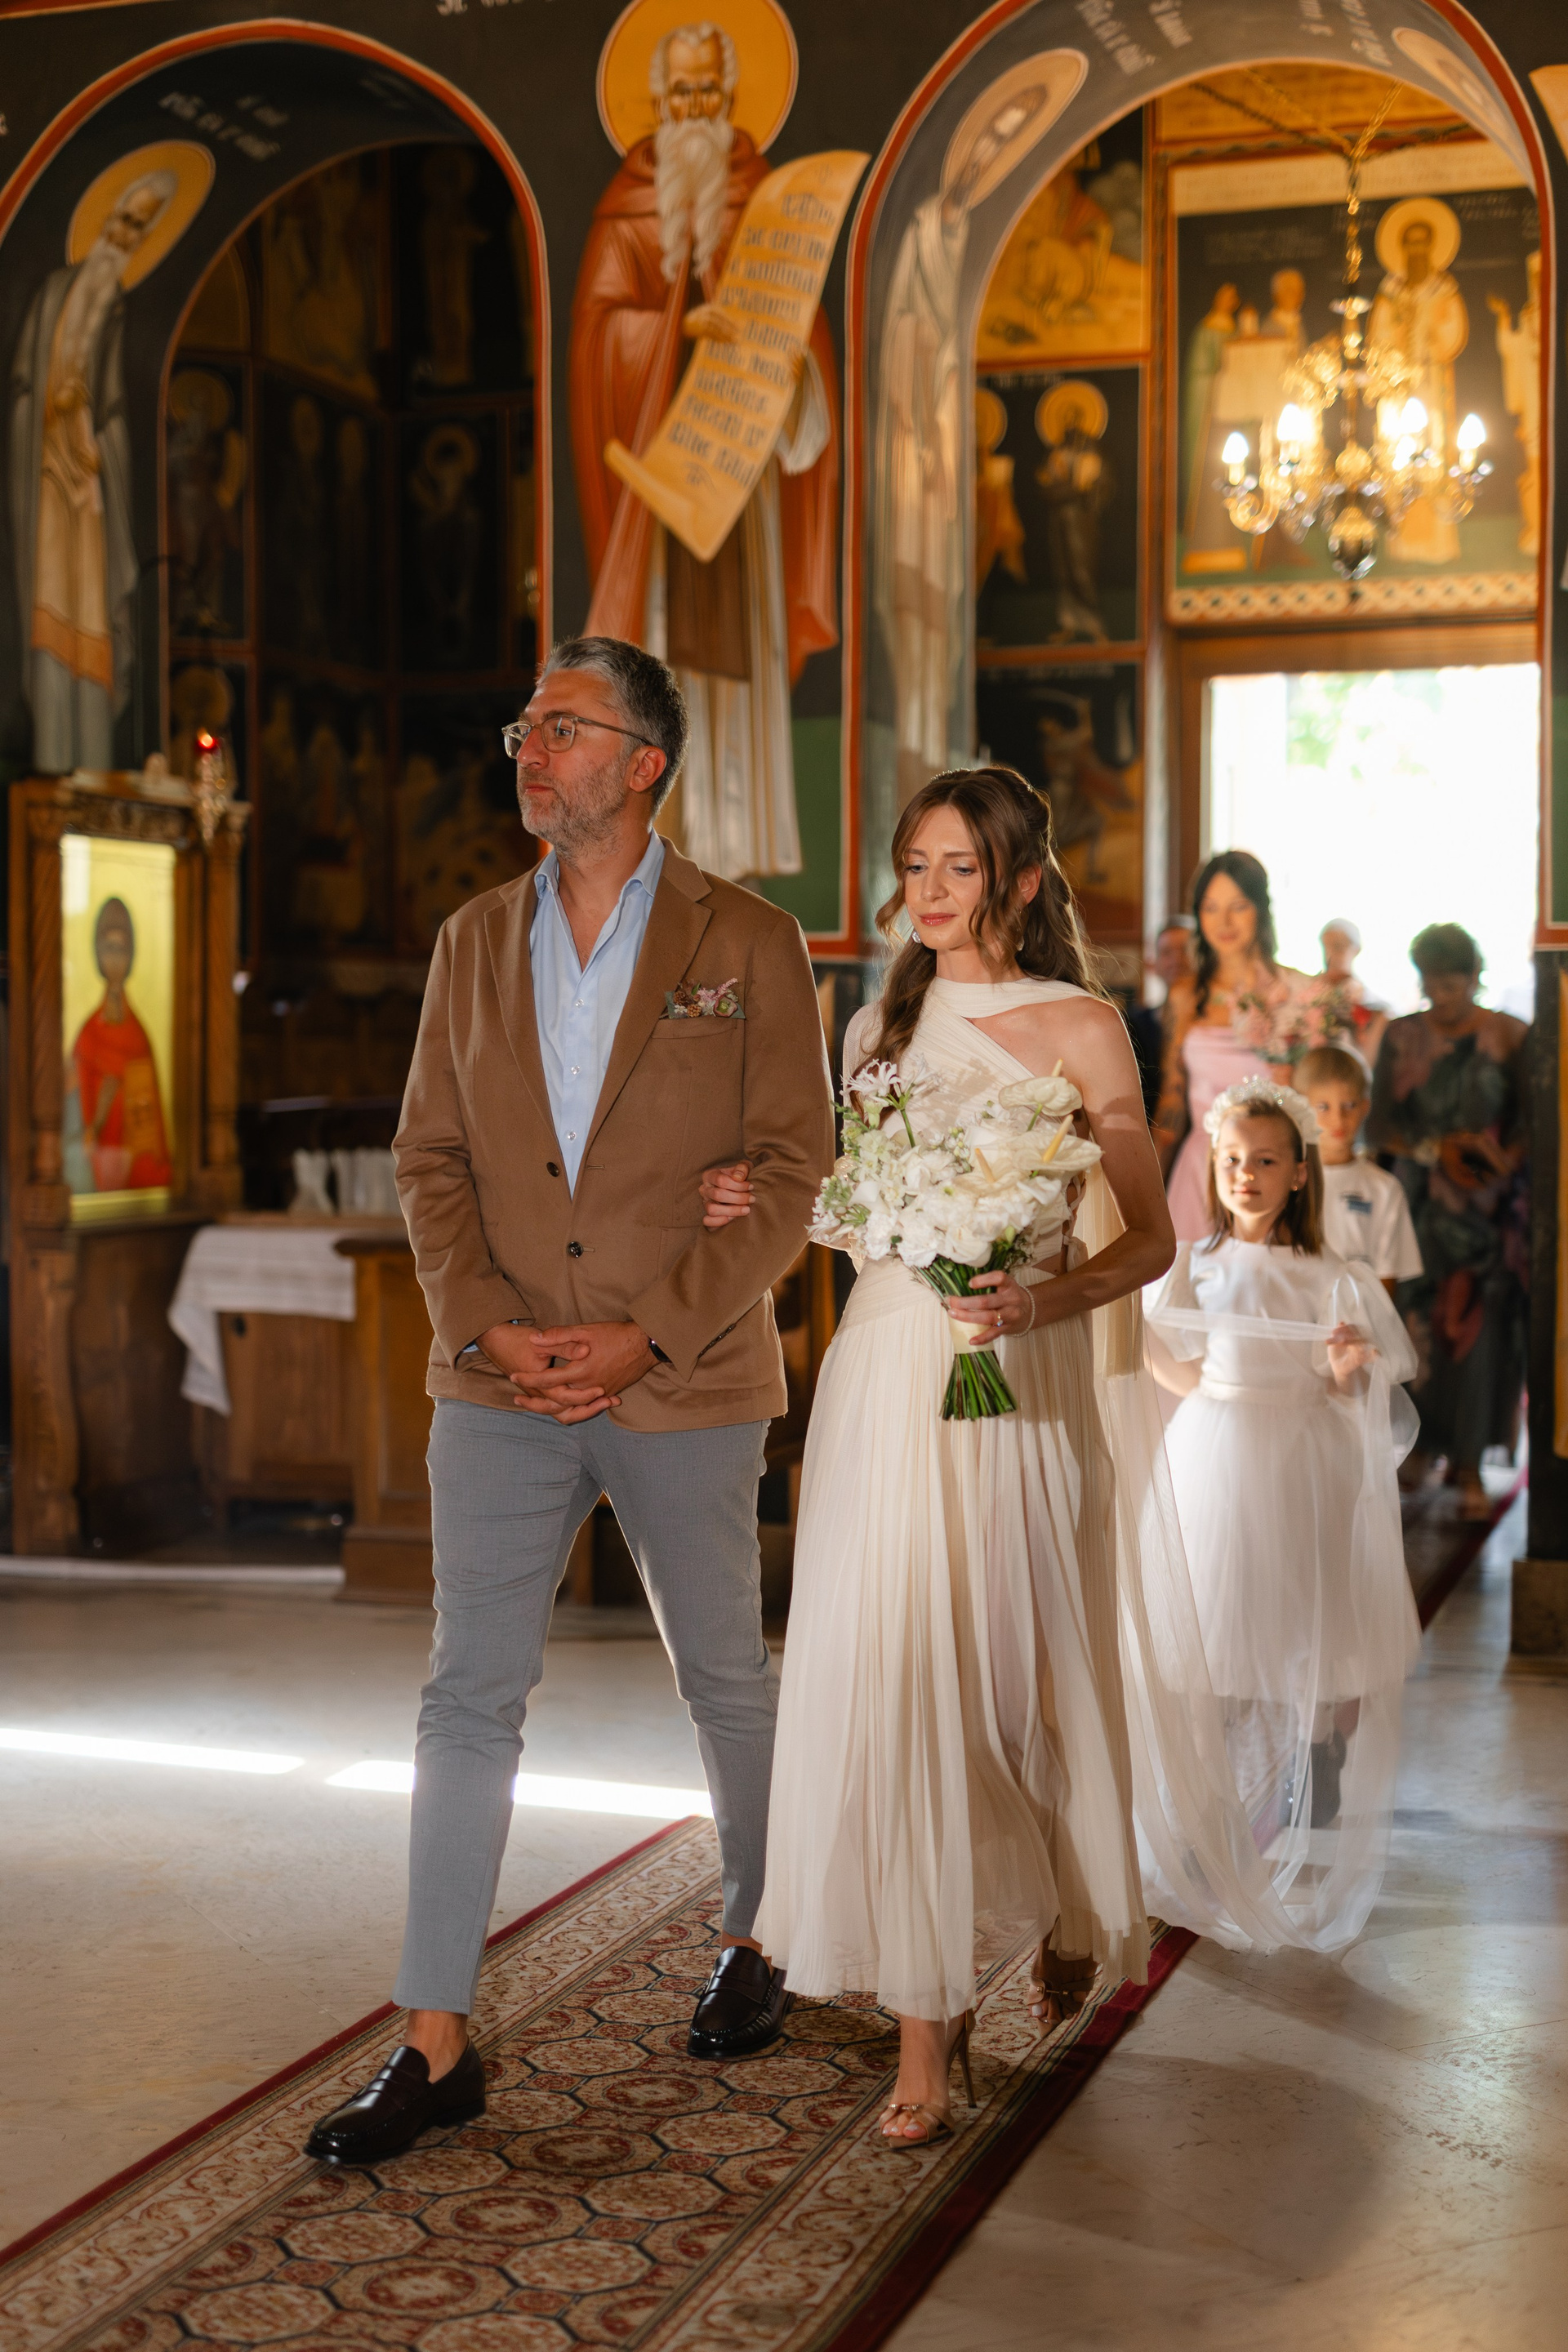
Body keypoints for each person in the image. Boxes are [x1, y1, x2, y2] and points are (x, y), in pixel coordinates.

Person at [701, 768, 1312, 2149]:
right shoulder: (875, 1022)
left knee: (1017, 1674)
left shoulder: (1084, 1025)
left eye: (959, 868)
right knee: (897, 1679)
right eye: (914, 863)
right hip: (884, 1376)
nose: (926, 891)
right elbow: (863, 1214)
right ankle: (927, 2029)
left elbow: (1147, 1239)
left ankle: (1067, 1898)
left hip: (1018, 1379)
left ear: (1021, 883)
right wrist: (776, 1202)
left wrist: (1039, 1300)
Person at [305, 636, 835, 2167]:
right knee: (467, 1694)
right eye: (524, 729)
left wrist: (645, 1337)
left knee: (724, 1675)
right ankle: (433, 2038)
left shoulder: (751, 941)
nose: (530, 750)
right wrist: (486, 1321)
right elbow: (429, 1157)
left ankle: (759, 1933)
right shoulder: (473, 938)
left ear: (644, 762)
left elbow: (791, 1172)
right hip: (499, 1382)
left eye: (563, 728)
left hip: (687, 1375)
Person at [1147, 1080, 1421, 1948]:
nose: (1246, 1175)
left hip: (1296, 1461)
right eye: (1232, 1160)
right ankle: (1207, 1820)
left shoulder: (1329, 1276)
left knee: (1288, 1626)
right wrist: (1167, 1359)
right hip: (1212, 1451)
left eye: (1265, 1161)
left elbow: (1352, 1385)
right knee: (1206, 1642)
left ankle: (1306, 1758)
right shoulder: (1191, 1262)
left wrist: (1342, 1374)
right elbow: (1175, 1362)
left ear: (1299, 1173)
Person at [568, 21, 839, 880]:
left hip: (743, 501)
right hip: (660, 504)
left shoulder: (766, 202)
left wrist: (777, 357)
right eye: (680, 95)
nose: (694, 112)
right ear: (657, 102)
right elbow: (597, 339)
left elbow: (803, 346)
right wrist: (675, 331)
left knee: (738, 685)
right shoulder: (627, 208)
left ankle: (734, 867)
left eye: (708, 94)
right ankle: (658, 857)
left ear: (729, 98)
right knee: (655, 678)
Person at [1368, 924, 1529, 1520]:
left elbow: (1533, 1121)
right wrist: (1437, 1150)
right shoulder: (1402, 1035)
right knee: (1416, 1323)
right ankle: (1419, 1446)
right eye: (1431, 984)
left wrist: (1501, 1160)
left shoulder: (1510, 1034)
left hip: (1488, 1205)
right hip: (1419, 1201)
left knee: (1479, 1330)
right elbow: (1377, 1125)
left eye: (1452, 985)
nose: (1441, 997)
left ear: (1475, 976)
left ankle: (1470, 1462)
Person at [1153, 850, 1309, 1241]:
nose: (1223, 922)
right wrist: (1144, 1194)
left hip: (1271, 1171)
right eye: (1210, 908)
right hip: (1200, 1169)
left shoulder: (1296, 992)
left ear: (1260, 909)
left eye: (1238, 906)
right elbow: (1172, 1103)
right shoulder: (1185, 996)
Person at [66, 896, 173, 1193]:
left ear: (131, 955)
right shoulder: (88, 1033)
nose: (115, 959)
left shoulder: (139, 1036)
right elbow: (74, 1101)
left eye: (122, 949)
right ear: (98, 954)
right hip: (96, 1159)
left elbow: (151, 1122)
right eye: (108, 949)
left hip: (133, 1160)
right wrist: (96, 1116)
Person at [1299, 1044, 1421, 1295]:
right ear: (1302, 1108)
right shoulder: (1287, 1181)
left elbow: (1387, 1279)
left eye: (1349, 1105)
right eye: (1323, 1107)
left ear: (1365, 1107)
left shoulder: (1384, 1188)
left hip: (1359, 1314)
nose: (1338, 1119)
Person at [1127, 915, 1194, 1123]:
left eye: (1185, 950)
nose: (1177, 960)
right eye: (1166, 953)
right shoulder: (1134, 1023)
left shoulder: (1211, 1026)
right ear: (1153, 964)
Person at [1319, 917, 1388, 1067]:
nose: (1330, 954)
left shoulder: (1373, 1005)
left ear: (1356, 950)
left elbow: (1367, 1060)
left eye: (1338, 947)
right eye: (1325, 947)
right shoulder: (1311, 994)